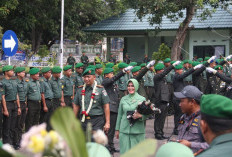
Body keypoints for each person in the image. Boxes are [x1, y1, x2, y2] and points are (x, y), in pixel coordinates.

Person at [102, 66, 133, 154]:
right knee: (109, 130)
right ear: (106, 75)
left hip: (115, 107)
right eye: (111, 73)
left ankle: (111, 146)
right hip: (110, 108)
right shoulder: (105, 82)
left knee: (112, 129)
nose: (112, 75)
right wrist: (123, 71)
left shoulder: (112, 83)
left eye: (112, 73)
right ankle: (107, 147)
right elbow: (113, 79)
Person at [115, 79, 147, 155]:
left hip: (137, 131)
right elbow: (120, 114)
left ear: (136, 87)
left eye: (132, 86)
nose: (130, 88)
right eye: (129, 86)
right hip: (124, 130)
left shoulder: (142, 99)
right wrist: (117, 129)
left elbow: (147, 114)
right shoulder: (123, 99)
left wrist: (140, 116)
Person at [73, 68, 110, 132]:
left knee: (95, 141)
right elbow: (76, 106)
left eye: (88, 77)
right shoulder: (80, 90)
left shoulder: (100, 89)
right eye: (85, 77)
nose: (86, 79)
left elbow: (106, 106)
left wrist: (107, 123)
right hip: (83, 120)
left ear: (94, 77)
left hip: (97, 120)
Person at [174, 85, 209, 153]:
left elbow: (213, 145)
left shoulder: (205, 120)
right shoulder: (183, 117)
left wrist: (191, 144)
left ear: (192, 102)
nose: (180, 105)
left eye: (182, 101)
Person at [153, 61, 181, 140]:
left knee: (163, 118)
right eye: (161, 70)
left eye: (163, 69)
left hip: (165, 100)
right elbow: (164, 73)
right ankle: (157, 133)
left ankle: (161, 132)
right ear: (157, 71)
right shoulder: (157, 77)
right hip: (159, 100)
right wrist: (172, 66)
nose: (162, 71)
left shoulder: (162, 79)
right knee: (159, 118)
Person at [172, 63, 203, 135]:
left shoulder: (177, 76)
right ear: (177, 70)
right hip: (178, 97)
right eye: (181, 69)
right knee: (179, 114)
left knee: (178, 114)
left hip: (179, 97)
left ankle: (177, 128)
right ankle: (177, 128)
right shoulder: (176, 76)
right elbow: (184, 75)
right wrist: (194, 68)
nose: (182, 71)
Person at [2, 65, 20, 146]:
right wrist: (5, 109)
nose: (13, 72)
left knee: (13, 125)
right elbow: (3, 97)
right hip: (8, 104)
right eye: (11, 70)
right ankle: (6, 143)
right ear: (6, 72)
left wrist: (18, 106)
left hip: (14, 105)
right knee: (7, 125)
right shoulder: (2, 83)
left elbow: (16, 94)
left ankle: (12, 142)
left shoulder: (13, 82)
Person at [14, 67, 28, 148]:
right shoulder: (15, 83)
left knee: (22, 124)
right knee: (17, 124)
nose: (24, 73)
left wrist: (25, 105)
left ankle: (20, 141)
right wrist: (19, 107)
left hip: (24, 104)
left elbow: (25, 94)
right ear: (18, 73)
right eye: (22, 72)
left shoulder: (25, 82)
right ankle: (16, 142)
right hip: (18, 104)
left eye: (24, 72)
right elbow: (16, 95)